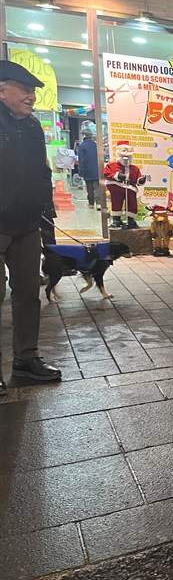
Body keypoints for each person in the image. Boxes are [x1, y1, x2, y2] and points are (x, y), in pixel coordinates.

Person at [0, 60, 62, 393]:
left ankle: (26, 359)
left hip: (27, 225)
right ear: (2, 89)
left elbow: (42, 172)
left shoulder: (33, 127)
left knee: (27, 294)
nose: (31, 97)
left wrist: (45, 211)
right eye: (24, 90)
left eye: (34, 92)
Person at [103, 140, 146, 229]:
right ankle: (116, 220)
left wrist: (141, 180)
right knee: (116, 202)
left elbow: (138, 178)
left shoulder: (134, 168)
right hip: (117, 186)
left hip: (130, 188)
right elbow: (106, 173)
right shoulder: (112, 165)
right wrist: (117, 176)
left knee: (132, 203)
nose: (126, 158)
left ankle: (131, 220)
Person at [77, 128, 101, 210]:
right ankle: (99, 204)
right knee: (97, 187)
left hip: (87, 170)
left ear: (84, 136)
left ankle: (91, 203)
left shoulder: (82, 146)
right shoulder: (97, 145)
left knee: (89, 187)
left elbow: (81, 160)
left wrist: (81, 172)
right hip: (97, 169)